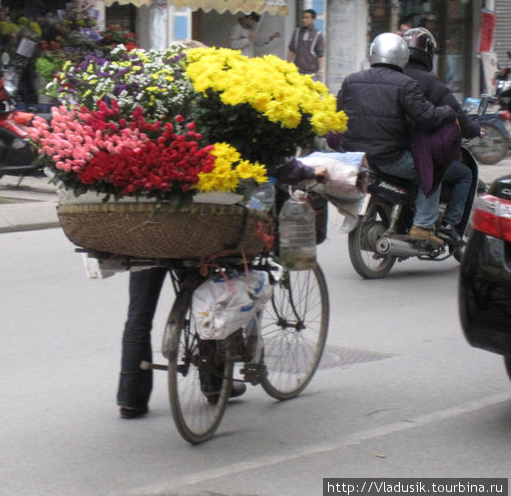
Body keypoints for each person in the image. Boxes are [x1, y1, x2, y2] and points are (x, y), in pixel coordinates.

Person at [117, 160, 329, 419]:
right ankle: (214, 384)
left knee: (139, 315)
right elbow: (270, 162)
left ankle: (131, 398)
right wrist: (309, 172)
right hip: (192, 224)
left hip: (146, 225)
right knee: (208, 299)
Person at [336, 32, 458, 246]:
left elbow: (337, 113)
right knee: (432, 169)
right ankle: (422, 224)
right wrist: (448, 111)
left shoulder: (350, 80)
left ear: (374, 53)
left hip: (353, 156)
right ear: (402, 57)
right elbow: (427, 118)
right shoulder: (405, 84)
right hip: (389, 158)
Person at [401, 27, 479, 241]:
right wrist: (474, 129)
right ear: (427, 53)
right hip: (413, 152)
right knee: (463, 174)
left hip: (386, 148)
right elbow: (457, 113)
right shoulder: (430, 82)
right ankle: (449, 224)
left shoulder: (392, 76)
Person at [287, 9, 325, 80]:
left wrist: (320, 70)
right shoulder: (297, 32)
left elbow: (320, 54)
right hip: (297, 71)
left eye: (307, 18)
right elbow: (291, 49)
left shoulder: (318, 35)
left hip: (312, 72)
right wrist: (287, 63)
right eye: (303, 18)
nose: (304, 20)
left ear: (313, 19)